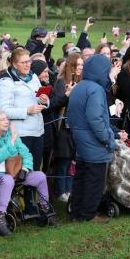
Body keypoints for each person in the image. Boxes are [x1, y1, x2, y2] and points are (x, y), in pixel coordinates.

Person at [0, 108, 56, 235]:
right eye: (2, 119)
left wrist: (25, 168)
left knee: (40, 176)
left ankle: (45, 211)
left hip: (14, 173)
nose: (6, 121)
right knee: (7, 179)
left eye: (6, 118)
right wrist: (12, 142)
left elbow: (26, 154)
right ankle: (1, 218)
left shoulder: (10, 134)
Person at [67, 54, 123, 222]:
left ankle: (76, 212)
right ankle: (88, 214)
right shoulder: (96, 90)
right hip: (94, 143)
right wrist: (108, 139)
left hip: (81, 140)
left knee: (81, 178)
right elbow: (95, 119)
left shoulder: (80, 86)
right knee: (95, 181)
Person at [0, 48, 49, 170]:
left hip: (38, 131)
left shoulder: (34, 76)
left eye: (29, 61)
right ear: (14, 64)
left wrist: (45, 100)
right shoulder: (6, 81)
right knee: (20, 172)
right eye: (23, 62)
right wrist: (26, 111)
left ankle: (31, 190)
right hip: (20, 134)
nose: (28, 65)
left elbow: (40, 97)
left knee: (35, 169)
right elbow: (3, 110)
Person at [50, 53, 82, 202]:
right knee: (64, 160)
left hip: (77, 127)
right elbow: (57, 103)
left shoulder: (82, 81)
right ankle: (61, 190)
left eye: (82, 65)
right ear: (72, 66)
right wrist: (68, 94)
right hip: (63, 127)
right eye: (78, 65)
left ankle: (70, 189)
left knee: (72, 161)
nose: (81, 67)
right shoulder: (61, 82)